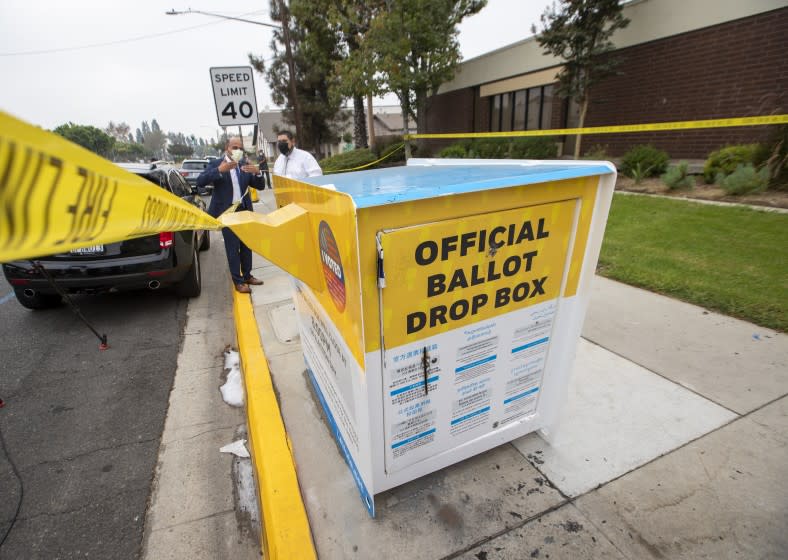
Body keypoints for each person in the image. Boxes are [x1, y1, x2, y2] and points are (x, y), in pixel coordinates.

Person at [197, 137, 266, 294]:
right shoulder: (216, 164)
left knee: (247, 245)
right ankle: (238, 281)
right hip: (228, 213)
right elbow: (200, 181)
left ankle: (248, 275)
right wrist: (219, 170)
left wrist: (258, 172)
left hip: (244, 211)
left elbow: (260, 186)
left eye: (240, 148)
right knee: (232, 248)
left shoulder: (244, 164)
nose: (237, 150)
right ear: (226, 148)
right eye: (234, 147)